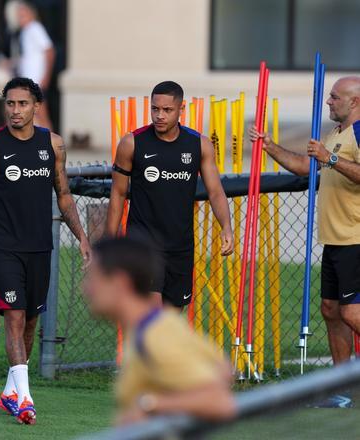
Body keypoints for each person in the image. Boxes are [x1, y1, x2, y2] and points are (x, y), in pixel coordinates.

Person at [0, 77, 92, 425]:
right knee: (14, 316)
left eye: (23, 104)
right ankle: (26, 400)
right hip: (4, 248)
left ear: (36, 107)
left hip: (40, 248)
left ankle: (11, 391)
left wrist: (82, 237)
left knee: (30, 321)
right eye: (10, 104)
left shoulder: (53, 145)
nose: (15, 110)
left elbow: (63, 195)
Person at [249, 76, 360, 407]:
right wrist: (270, 146)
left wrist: (331, 158)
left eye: (335, 97)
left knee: (353, 314)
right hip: (334, 239)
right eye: (328, 96)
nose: (328, 101)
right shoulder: (335, 134)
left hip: (356, 237)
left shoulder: (358, 132)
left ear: (354, 102)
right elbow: (305, 167)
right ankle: (342, 389)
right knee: (331, 311)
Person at [105, 81, 233, 310]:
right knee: (152, 317)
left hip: (180, 246)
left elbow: (215, 191)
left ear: (181, 110)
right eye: (155, 109)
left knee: (171, 321)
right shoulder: (131, 143)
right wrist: (108, 245)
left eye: (167, 110)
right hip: (143, 245)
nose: (159, 115)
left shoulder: (199, 144)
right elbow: (118, 194)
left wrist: (226, 227)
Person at [83, 236, 237, 425]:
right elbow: (223, 370)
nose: (86, 289)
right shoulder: (159, 326)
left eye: (93, 278)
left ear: (119, 282)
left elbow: (219, 402)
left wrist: (149, 405)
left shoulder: (155, 336)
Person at [15, 1, 54, 130]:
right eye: (18, 15)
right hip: (28, 82)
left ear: (31, 14)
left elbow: (49, 51)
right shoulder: (25, 32)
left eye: (23, 14)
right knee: (33, 115)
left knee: (41, 113)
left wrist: (46, 77)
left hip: (36, 81)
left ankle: (52, 145)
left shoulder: (35, 28)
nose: (20, 18)